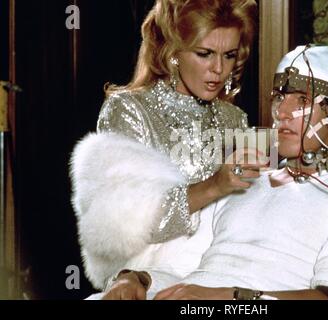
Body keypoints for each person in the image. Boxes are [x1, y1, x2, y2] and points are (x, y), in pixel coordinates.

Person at [100, 45, 328, 300]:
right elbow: (183, 270)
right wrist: (135, 279)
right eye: (279, 97)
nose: (282, 112)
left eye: (302, 101)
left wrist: (229, 297)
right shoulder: (243, 177)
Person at [70, 0, 260, 294]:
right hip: (142, 277)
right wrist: (214, 186)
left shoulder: (234, 119)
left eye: (229, 55)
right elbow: (120, 227)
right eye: (204, 54)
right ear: (173, 54)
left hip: (221, 274)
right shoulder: (130, 110)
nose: (219, 69)